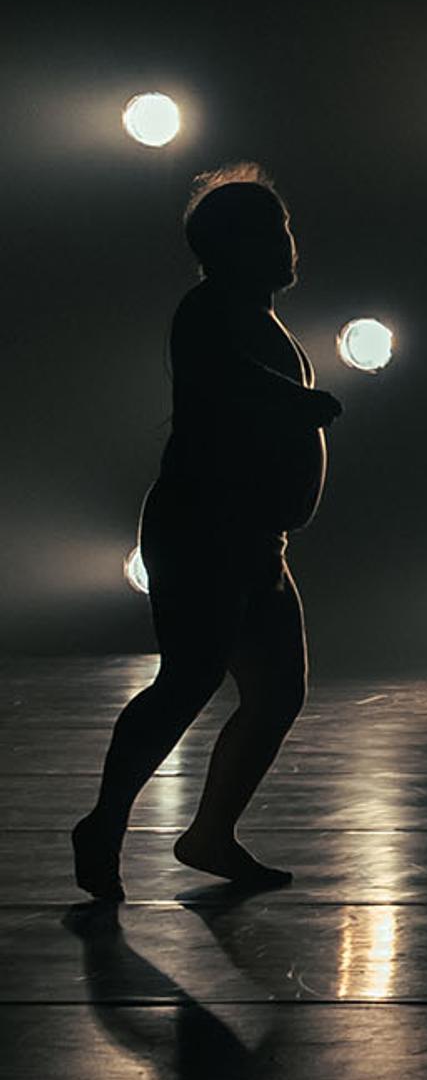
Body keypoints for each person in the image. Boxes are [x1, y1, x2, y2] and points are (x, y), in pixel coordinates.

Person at [73, 166, 340, 901]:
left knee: (278, 692)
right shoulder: (206, 310)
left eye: (284, 228)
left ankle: (211, 833)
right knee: (187, 680)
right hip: (203, 531)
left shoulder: (258, 316)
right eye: (271, 232)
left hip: (257, 542)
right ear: (231, 248)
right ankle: (104, 824)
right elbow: (225, 377)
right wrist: (300, 401)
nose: (288, 244)